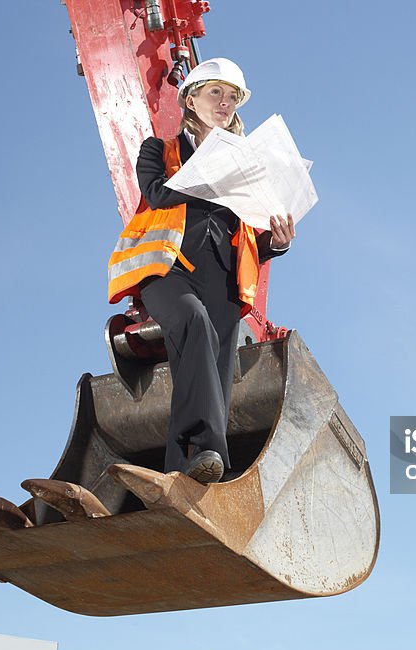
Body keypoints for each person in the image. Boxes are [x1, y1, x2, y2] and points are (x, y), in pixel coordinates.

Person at [107, 58, 295, 484]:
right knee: (192, 320)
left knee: (216, 369)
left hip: (224, 280)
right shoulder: (160, 150)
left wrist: (276, 243)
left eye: (232, 97)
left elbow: (247, 233)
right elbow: (155, 194)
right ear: (190, 99)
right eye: (216, 93)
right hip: (167, 270)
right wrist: (211, 171)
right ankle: (209, 448)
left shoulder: (247, 167)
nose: (225, 103)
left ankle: (183, 468)